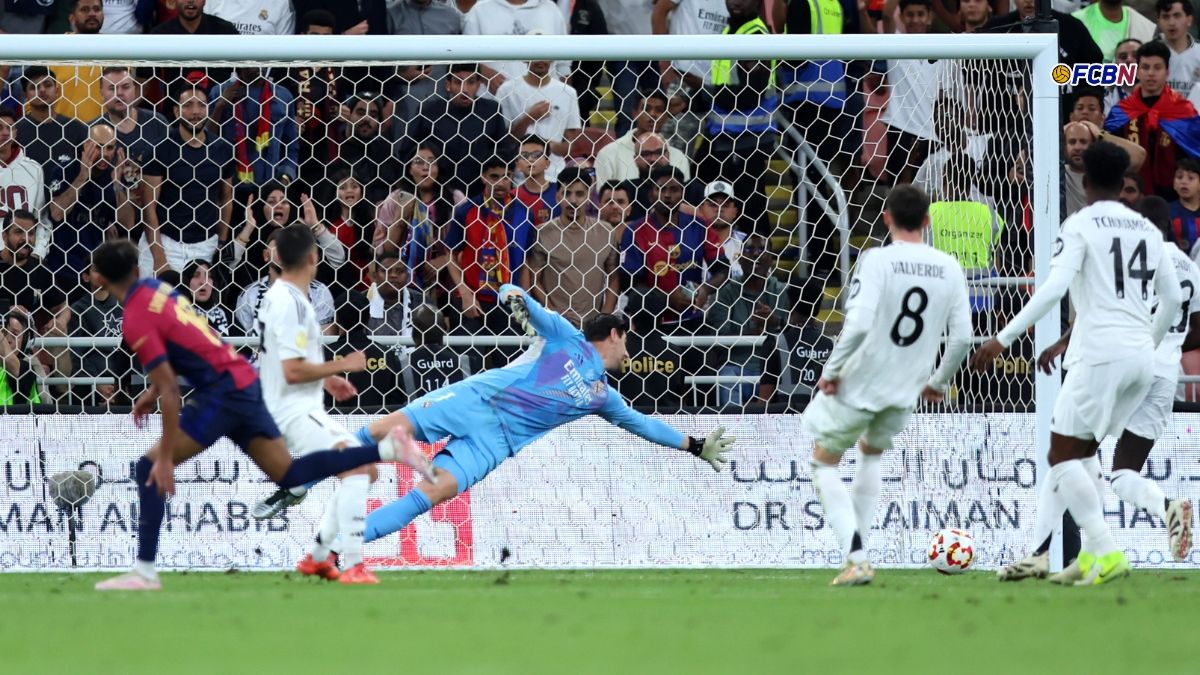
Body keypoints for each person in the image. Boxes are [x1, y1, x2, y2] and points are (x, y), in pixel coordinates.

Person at [89, 238, 433, 591]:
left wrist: (164, 457)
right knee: (287, 474)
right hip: (244, 380)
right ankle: (388, 450)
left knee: (148, 468)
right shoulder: (157, 288)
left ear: (96, 278)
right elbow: (191, 340)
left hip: (220, 394)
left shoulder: (134, 317)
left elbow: (171, 391)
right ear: (136, 269)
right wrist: (151, 392)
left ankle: (144, 573)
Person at [350, 284, 735, 545]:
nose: (627, 351)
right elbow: (513, 293)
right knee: (378, 432)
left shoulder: (602, 396)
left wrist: (696, 445)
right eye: (627, 341)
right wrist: (515, 300)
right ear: (616, 333)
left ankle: (334, 547)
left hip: (494, 444)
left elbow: (643, 424)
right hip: (476, 400)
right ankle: (299, 483)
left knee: (427, 497)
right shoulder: (567, 338)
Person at [970, 141, 1181, 586]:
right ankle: (1065, 556)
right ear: (1123, 180)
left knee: (1061, 453)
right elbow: (1174, 299)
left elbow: (1052, 289)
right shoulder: (1146, 229)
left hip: (1100, 355)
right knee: (1082, 453)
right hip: (1140, 357)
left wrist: (1003, 337)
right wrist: (1146, 339)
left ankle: (1105, 551)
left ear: (1084, 181)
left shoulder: (1080, 224)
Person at [1004, 195, 1197, 581]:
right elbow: (1185, 314)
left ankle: (1051, 550)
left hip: (1112, 358)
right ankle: (1152, 515)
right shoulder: (1189, 266)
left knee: (1067, 451)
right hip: (1158, 371)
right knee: (1116, 468)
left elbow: (1111, 305)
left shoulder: (1121, 244)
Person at [805, 185, 972, 586]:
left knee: (822, 463)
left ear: (886, 218)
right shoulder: (949, 265)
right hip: (906, 388)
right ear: (928, 222)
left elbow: (860, 323)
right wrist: (939, 382)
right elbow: (964, 336)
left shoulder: (877, 259)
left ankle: (857, 556)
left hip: (863, 381)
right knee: (870, 454)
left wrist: (831, 370)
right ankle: (858, 555)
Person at [248, 224, 382, 584]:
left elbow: (284, 359)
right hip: (291, 412)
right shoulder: (289, 302)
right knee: (356, 470)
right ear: (313, 256)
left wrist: (326, 378)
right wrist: (343, 363)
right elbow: (291, 371)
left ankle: (318, 557)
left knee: (367, 470)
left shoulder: (288, 297)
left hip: (298, 406)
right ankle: (353, 565)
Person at [1105, 40, 1200, 200]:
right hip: (1129, 199)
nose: (1151, 73)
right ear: (1137, 71)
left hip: (1173, 200)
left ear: (1167, 72)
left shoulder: (1184, 111)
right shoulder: (1121, 111)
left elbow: (1195, 157)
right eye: (1145, 67)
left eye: (1157, 68)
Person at [526, 167, 619, 326]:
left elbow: (614, 277)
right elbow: (534, 280)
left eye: (579, 194)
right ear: (557, 196)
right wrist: (553, 312)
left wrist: (604, 318)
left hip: (592, 327)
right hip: (555, 325)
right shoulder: (542, 232)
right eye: (567, 193)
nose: (573, 200)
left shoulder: (605, 232)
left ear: (589, 197)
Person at [1157, 0, 1200, 96]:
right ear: (1159, 21)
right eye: (1166, 17)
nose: (1171, 22)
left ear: (1189, 20)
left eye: (1177, 16)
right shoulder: (1149, 54)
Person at [1168, 157, 1200, 252]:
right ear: (1174, 184)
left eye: (1191, 178)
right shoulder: (1167, 211)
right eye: (1179, 177)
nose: (1184, 182)